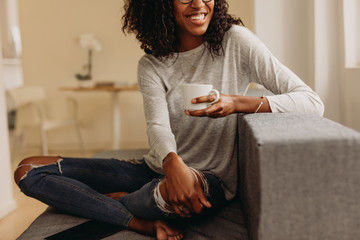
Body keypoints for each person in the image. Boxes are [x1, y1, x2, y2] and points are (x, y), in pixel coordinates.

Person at [14, 0, 324, 239]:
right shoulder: (151, 65)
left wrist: (237, 103)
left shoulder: (236, 42)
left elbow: (311, 101)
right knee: (28, 172)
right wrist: (171, 161)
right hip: (155, 167)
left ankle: (128, 206)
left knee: (174, 198)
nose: (198, 3)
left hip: (209, 180)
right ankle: (136, 216)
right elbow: (158, 126)